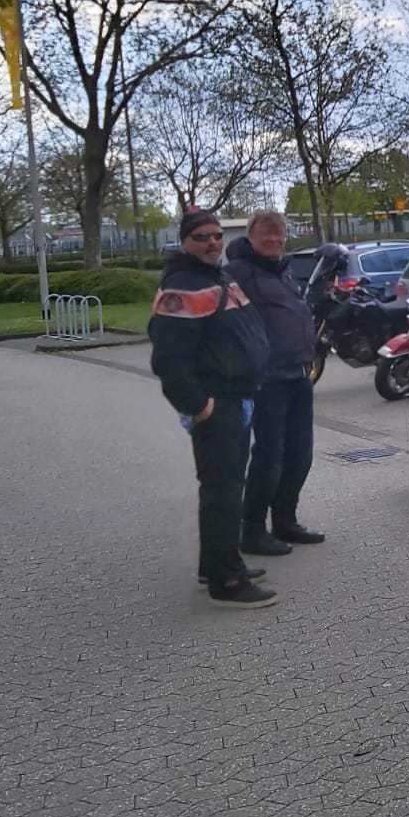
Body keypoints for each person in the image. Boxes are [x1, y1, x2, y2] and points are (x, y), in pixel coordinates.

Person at [149, 208, 274, 609]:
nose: (212, 243)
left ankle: (216, 563)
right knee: (222, 491)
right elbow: (169, 359)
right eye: (201, 237)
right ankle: (227, 581)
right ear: (184, 241)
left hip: (238, 397)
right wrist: (199, 406)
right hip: (217, 404)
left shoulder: (216, 276)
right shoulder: (181, 287)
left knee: (228, 487)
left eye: (217, 235)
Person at [225, 211, 326, 557]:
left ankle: (285, 520)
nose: (273, 240)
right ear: (251, 236)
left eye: (279, 233)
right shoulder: (238, 273)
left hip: (298, 375)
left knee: (300, 455)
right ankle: (252, 530)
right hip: (267, 381)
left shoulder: (282, 271)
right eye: (266, 233)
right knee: (270, 457)